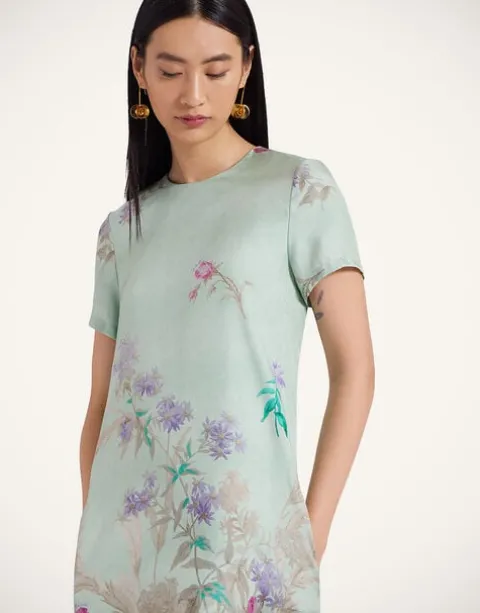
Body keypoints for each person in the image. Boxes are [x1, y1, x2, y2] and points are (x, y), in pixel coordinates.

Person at [73, 1, 375, 612]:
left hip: (251, 562)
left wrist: (307, 539)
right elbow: (103, 404)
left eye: (214, 71)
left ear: (245, 68)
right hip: (120, 562)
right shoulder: (121, 231)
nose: (193, 94)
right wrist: (101, 539)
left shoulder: (299, 191)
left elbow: (355, 372)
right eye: (170, 70)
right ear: (139, 69)